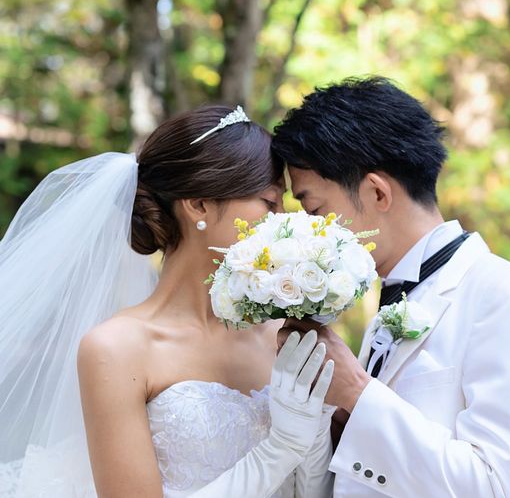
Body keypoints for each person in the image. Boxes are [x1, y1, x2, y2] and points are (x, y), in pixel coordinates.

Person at [0, 105, 335, 498]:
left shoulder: (283, 334)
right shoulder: (116, 348)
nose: (282, 220)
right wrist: (278, 451)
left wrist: (313, 438)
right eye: (269, 201)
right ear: (199, 205)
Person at [271, 76, 510, 497]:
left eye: (315, 210)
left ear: (377, 193)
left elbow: (502, 486)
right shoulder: (388, 308)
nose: (310, 232)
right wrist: (339, 422)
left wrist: (358, 394)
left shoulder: (506, 296)